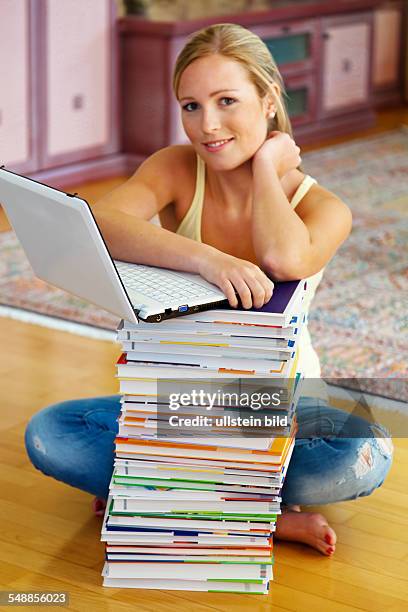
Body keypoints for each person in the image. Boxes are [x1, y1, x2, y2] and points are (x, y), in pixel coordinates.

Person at [24, 23, 393, 557]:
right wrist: (207, 259)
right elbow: (99, 224)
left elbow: (284, 258)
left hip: (276, 409)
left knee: (362, 451)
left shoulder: (323, 207)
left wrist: (267, 166)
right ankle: (258, 517)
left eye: (227, 101)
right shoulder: (175, 169)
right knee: (49, 432)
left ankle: (155, 499)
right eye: (191, 106)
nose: (208, 125)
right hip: (179, 406)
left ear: (268, 102)